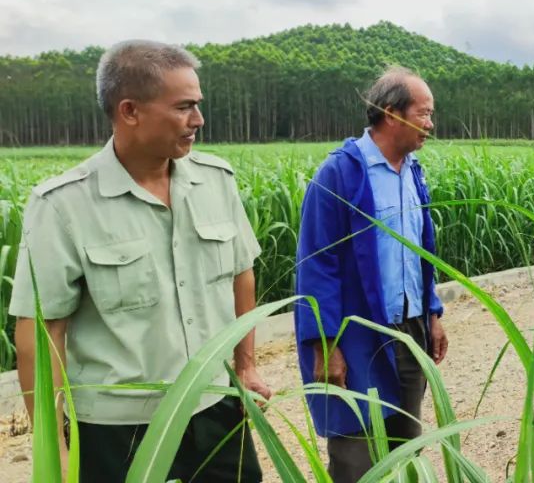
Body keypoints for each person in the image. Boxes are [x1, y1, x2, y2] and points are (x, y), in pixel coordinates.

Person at [9, 40, 269, 482]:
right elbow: (41, 328)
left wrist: (245, 366)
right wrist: (53, 449)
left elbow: (240, 273)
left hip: (215, 408)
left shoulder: (215, 181)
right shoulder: (63, 205)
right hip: (119, 431)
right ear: (129, 111)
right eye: (184, 107)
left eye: (198, 106)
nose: (198, 121)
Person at [294, 66, 449, 482]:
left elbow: (421, 252)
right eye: (424, 113)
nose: (431, 125)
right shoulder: (340, 174)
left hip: (410, 330)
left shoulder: (413, 172)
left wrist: (432, 313)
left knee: (404, 443)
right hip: (358, 334)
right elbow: (316, 265)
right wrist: (326, 344)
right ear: (390, 112)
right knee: (355, 455)